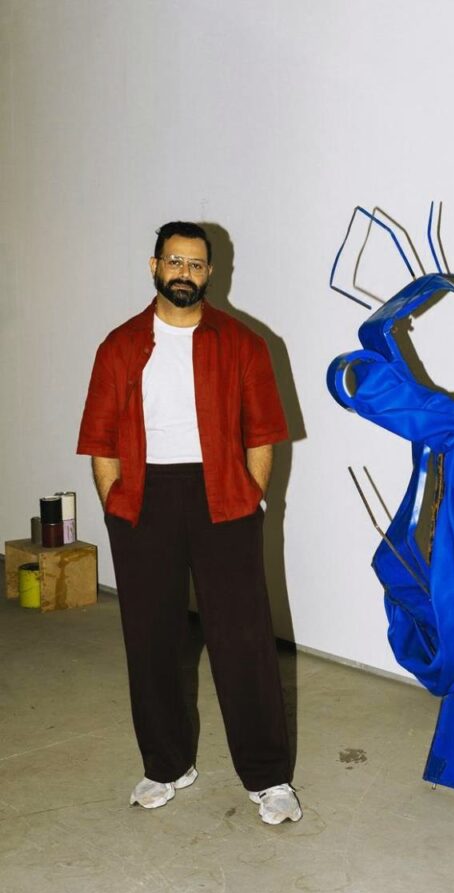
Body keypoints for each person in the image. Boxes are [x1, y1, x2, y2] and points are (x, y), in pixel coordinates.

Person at [77, 221, 301, 826]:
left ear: (210, 273)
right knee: (150, 638)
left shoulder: (244, 343)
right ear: (154, 266)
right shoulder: (119, 346)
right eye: (175, 262)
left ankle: (269, 777)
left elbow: (263, 433)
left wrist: (251, 496)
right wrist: (115, 502)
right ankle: (165, 764)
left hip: (223, 495)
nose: (185, 273)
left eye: (196, 264)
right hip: (144, 498)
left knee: (243, 639)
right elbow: (100, 438)